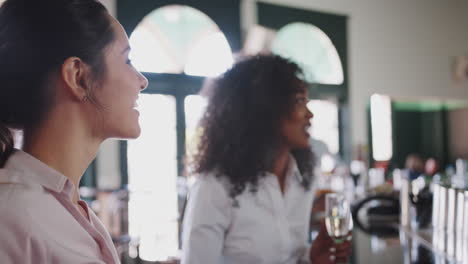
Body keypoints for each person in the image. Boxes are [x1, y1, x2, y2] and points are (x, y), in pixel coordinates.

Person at [0, 0, 148, 262]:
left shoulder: (73, 213)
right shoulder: (12, 218)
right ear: (78, 76)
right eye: (127, 60)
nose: (142, 81)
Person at [181, 54, 351, 264]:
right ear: (265, 109)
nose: (309, 114)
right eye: (299, 101)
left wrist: (312, 258)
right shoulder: (214, 187)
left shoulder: (302, 176)